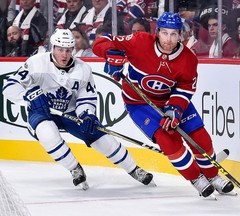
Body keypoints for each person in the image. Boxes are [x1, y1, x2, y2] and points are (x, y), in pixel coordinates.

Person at [93, 12, 234, 198]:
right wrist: (111, 55)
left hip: (172, 101)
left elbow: (185, 88)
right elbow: (101, 42)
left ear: (181, 35)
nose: (169, 39)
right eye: (165, 33)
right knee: (169, 141)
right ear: (157, 32)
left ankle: (213, 176)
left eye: (174, 34)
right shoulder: (139, 41)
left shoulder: (188, 58)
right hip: (140, 103)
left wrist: (174, 110)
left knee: (201, 139)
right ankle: (196, 178)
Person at [2, 28, 154, 190]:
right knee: (47, 133)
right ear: (52, 47)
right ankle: (75, 169)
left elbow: (86, 97)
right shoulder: (35, 62)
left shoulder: (83, 69)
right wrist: (28, 96)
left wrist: (87, 114)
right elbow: (9, 86)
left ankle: (134, 169)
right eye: (60, 49)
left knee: (101, 137)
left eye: (68, 50)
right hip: (42, 111)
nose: (64, 55)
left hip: (71, 112)